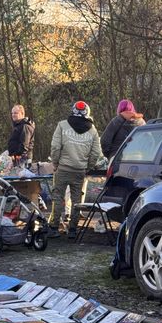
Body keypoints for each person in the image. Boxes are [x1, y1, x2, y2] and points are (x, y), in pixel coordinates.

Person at [49, 101, 101, 239]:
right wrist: (87, 167)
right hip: (80, 171)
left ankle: (54, 227)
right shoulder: (93, 131)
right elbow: (96, 153)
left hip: (63, 168)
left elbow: (55, 147)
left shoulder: (62, 125)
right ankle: (73, 230)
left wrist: (55, 163)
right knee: (76, 201)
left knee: (58, 197)